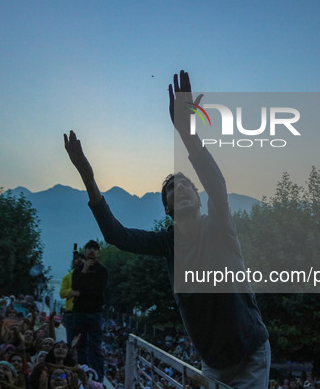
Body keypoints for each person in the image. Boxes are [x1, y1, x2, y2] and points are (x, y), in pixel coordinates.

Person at [64, 70, 270, 388]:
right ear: (167, 208)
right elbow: (115, 235)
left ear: (199, 200)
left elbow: (217, 185)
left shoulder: (218, 227)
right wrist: (88, 178)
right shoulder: (166, 244)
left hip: (251, 352)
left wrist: (187, 133)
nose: (183, 188)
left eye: (188, 184)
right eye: (174, 188)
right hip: (214, 362)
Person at [70, 240, 107, 383]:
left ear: (98, 252)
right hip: (79, 312)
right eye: (89, 248)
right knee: (80, 345)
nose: (92, 251)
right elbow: (74, 286)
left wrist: (81, 293)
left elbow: (98, 290)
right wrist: (84, 272)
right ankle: (82, 375)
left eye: (95, 248)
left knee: (95, 346)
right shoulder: (79, 270)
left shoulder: (102, 270)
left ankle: (98, 378)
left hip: (95, 312)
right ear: (85, 251)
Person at [59, 246, 83, 346]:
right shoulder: (67, 277)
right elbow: (62, 293)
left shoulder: (91, 276)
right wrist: (73, 292)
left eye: (80, 259)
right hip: (71, 313)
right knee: (70, 341)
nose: (78, 261)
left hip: (85, 313)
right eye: (76, 259)